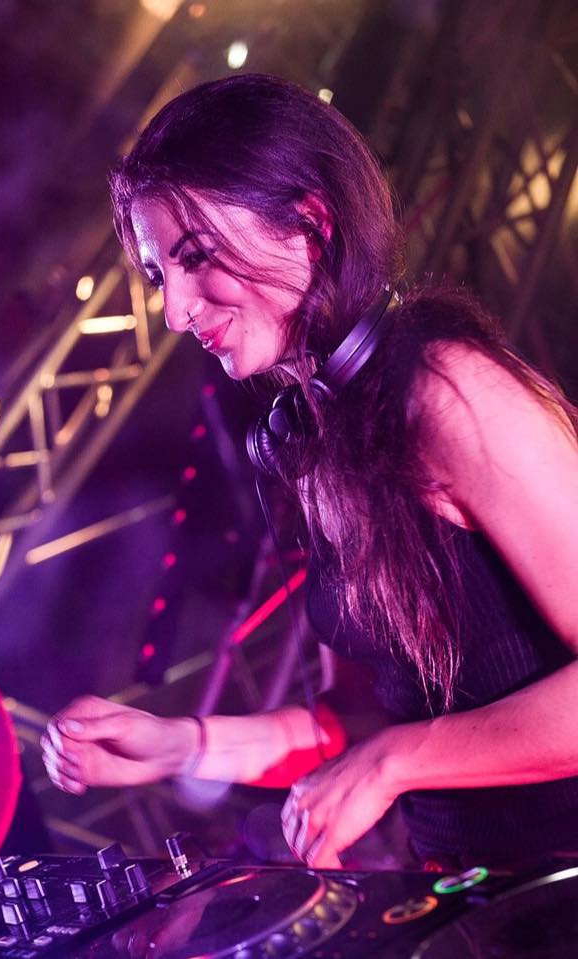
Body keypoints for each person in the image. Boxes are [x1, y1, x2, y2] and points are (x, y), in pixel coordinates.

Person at [41, 74, 578, 871]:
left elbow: (391, 748)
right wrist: (181, 742)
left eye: (195, 257)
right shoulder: (313, 446)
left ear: (310, 225)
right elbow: (359, 722)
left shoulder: (449, 391)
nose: (175, 310)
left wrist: (398, 761)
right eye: (160, 277)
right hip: (478, 898)